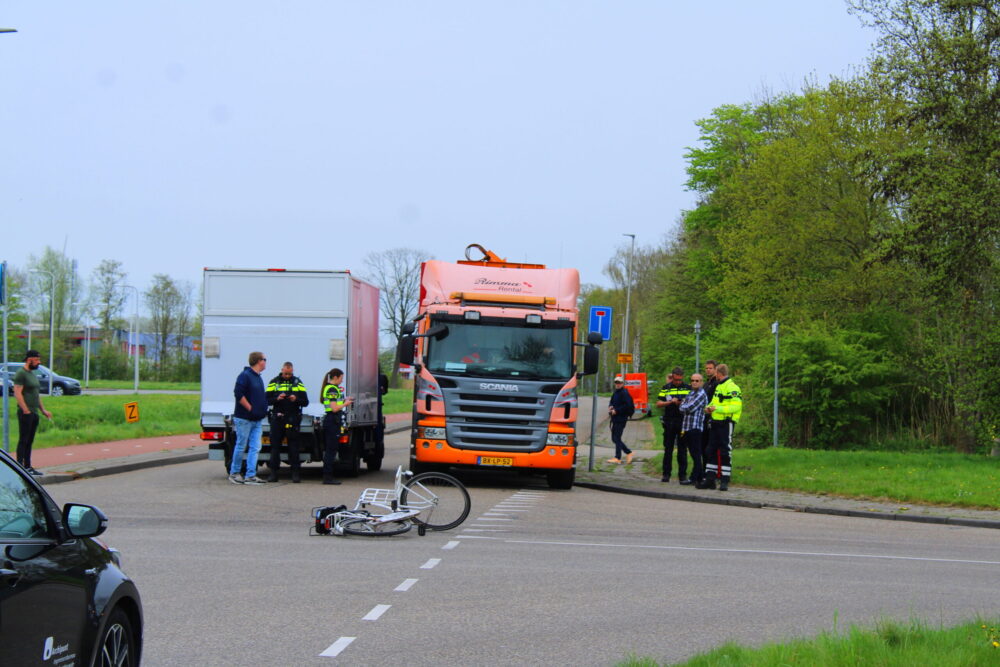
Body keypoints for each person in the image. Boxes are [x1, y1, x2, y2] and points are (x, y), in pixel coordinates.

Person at [696, 363, 742, 491]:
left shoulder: (733, 387)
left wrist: (717, 408)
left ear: (719, 373)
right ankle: (710, 479)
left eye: (715, 372)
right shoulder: (719, 386)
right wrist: (707, 409)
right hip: (715, 422)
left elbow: (736, 406)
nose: (714, 375)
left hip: (726, 423)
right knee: (710, 450)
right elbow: (713, 402)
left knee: (725, 451)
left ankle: (724, 480)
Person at [265, 362, 309, 483]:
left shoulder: (298, 382)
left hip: (292, 418)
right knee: (275, 447)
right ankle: (273, 473)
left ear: (292, 371)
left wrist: (296, 399)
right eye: (285, 373)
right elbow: (266, 400)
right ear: (282, 370)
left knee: (293, 447)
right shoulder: (274, 382)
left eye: (290, 374)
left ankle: (295, 473)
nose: (288, 376)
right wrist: (277, 398)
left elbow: (305, 402)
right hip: (277, 418)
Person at [229, 351, 269, 485]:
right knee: (241, 445)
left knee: (255, 447)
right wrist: (250, 408)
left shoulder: (258, 377)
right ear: (258, 361)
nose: (265, 362)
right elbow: (238, 394)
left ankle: (250, 475)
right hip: (244, 418)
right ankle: (234, 473)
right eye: (264, 359)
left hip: (256, 419)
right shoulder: (245, 376)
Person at [12, 350, 51, 475]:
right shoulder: (21, 374)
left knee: (30, 440)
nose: (39, 362)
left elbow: (36, 394)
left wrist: (43, 410)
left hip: (34, 412)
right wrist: (25, 410)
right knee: (23, 439)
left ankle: (28, 467)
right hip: (26, 412)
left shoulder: (32, 374)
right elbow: (17, 393)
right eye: (37, 360)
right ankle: (20, 467)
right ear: (30, 360)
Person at [654, 366, 691, 482]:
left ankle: (682, 475)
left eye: (680, 380)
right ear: (672, 377)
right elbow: (658, 403)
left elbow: (691, 403)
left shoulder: (687, 388)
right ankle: (666, 474)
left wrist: (681, 403)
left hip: (682, 422)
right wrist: (670, 402)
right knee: (668, 449)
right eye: (676, 380)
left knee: (682, 450)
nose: (678, 382)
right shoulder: (666, 388)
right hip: (669, 421)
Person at [320, 368, 353, 485]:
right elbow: (334, 408)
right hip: (332, 421)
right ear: (335, 377)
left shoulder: (332, 389)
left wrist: (344, 400)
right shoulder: (332, 389)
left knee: (331, 449)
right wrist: (346, 404)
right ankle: (327, 477)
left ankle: (328, 475)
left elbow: (335, 403)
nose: (342, 380)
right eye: (341, 378)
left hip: (332, 421)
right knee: (331, 450)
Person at [677, 373, 708, 485]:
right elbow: (681, 407)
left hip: (695, 428)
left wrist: (684, 405)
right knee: (692, 453)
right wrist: (684, 406)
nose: (694, 382)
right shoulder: (690, 393)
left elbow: (689, 407)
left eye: (697, 380)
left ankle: (694, 478)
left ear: (701, 382)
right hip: (686, 427)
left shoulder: (701, 394)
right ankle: (699, 478)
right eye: (693, 380)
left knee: (696, 454)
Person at [607, 375, 635, 464]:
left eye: (619, 383)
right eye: (616, 383)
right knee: (614, 438)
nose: (617, 384)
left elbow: (627, 405)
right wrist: (610, 407)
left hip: (621, 418)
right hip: (615, 418)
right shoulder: (616, 392)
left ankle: (618, 457)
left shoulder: (624, 393)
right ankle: (628, 452)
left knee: (617, 438)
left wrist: (617, 410)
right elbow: (612, 401)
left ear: (622, 383)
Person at [700, 360, 719, 472]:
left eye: (710, 368)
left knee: (711, 448)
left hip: (713, 418)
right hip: (704, 418)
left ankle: (712, 472)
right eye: (706, 368)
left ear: (716, 369)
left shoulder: (717, 383)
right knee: (703, 446)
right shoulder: (706, 384)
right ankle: (704, 471)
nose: (708, 370)